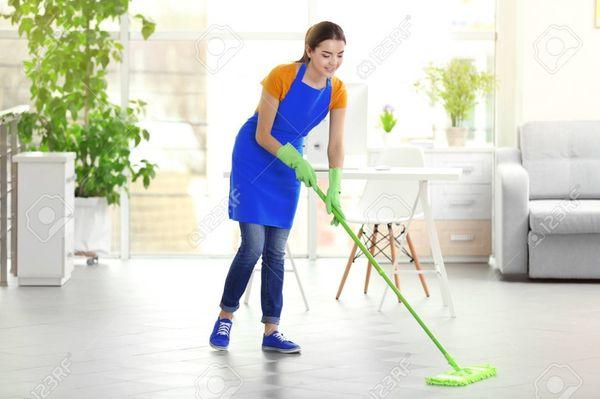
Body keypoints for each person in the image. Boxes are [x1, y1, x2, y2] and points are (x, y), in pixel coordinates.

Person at [210, 21, 347, 354]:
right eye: (326, 54)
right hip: (255, 156)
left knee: (275, 250)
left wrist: (335, 187)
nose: (333, 62)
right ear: (310, 50)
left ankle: (272, 330)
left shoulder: (338, 89)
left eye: (340, 55)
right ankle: (225, 315)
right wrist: (295, 160)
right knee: (253, 245)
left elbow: (336, 144)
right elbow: (263, 133)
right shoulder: (282, 75)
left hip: (288, 163)